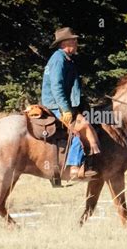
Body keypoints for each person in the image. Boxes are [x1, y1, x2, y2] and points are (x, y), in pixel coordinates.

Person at [41, 27, 101, 179]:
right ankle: (74, 167)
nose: (76, 42)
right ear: (63, 43)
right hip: (56, 104)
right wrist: (65, 109)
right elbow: (57, 87)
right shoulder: (58, 59)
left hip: (64, 103)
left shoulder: (67, 59)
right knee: (80, 127)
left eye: (75, 40)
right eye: (73, 40)